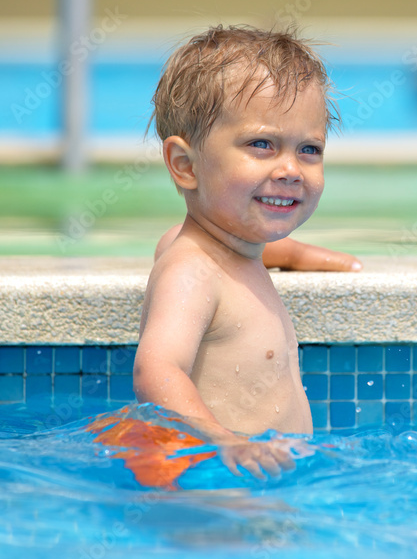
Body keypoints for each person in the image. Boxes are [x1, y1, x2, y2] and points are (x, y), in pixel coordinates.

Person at [92, 25, 355, 489]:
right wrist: (223, 442)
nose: (291, 169)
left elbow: (200, 237)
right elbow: (157, 369)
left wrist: (303, 255)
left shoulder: (212, 245)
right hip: (219, 474)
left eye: (309, 149)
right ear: (186, 166)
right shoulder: (192, 271)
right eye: (262, 145)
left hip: (252, 468)